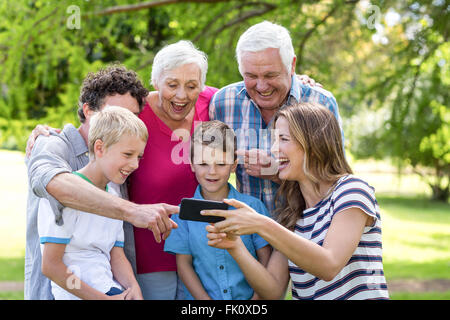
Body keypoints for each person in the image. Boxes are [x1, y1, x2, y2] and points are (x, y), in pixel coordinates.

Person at [204, 102, 389, 300]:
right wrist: (235, 247)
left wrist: (260, 223)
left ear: (313, 142)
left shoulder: (351, 191)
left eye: (283, 139)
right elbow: (273, 291)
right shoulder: (294, 213)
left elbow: (329, 265)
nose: (274, 149)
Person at [25, 65, 179, 300]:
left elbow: (114, 251)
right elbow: (54, 182)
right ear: (88, 110)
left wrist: (131, 288)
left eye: (133, 116)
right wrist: (132, 211)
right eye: (116, 113)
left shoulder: (118, 166)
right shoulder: (51, 144)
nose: (124, 123)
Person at [209, 21, 343, 214]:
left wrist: (277, 172)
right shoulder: (223, 102)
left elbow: (335, 180)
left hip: (305, 230)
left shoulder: (319, 102)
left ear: (292, 65)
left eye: (271, 75)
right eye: (251, 76)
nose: (262, 86)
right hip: (247, 234)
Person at [127, 40, 218, 300]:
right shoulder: (137, 112)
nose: (181, 95)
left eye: (191, 86)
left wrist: (298, 81)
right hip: (152, 253)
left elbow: (252, 90)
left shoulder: (210, 102)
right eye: (172, 85)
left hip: (204, 251)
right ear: (155, 82)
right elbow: (95, 129)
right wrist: (50, 135)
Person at [38, 107, 146, 300]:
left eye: (139, 157)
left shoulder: (114, 197)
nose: (135, 165)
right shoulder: (66, 194)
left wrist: (132, 287)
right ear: (99, 148)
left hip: (109, 289)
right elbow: (51, 266)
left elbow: (116, 254)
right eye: (128, 154)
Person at [164, 121, 271, 300]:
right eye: (203, 163)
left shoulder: (253, 208)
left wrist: (256, 300)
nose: (212, 172)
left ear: (234, 165)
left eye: (221, 164)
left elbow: (265, 259)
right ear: (192, 164)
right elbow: (184, 265)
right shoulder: (182, 213)